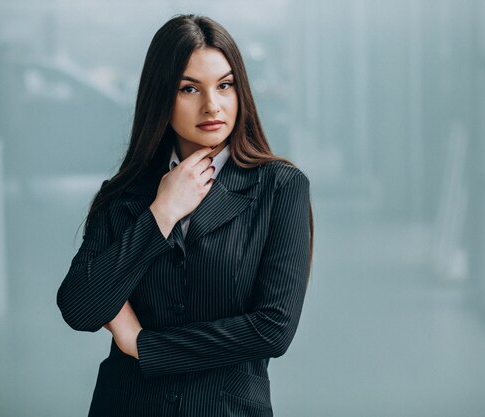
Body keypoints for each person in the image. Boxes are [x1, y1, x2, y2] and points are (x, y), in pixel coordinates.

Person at [56, 14, 313, 417]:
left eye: (225, 85)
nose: (212, 105)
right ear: (161, 96)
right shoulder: (125, 195)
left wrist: (142, 344)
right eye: (189, 88)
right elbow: (80, 307)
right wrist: (162, 212)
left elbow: (272, 329)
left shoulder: (280, 188)